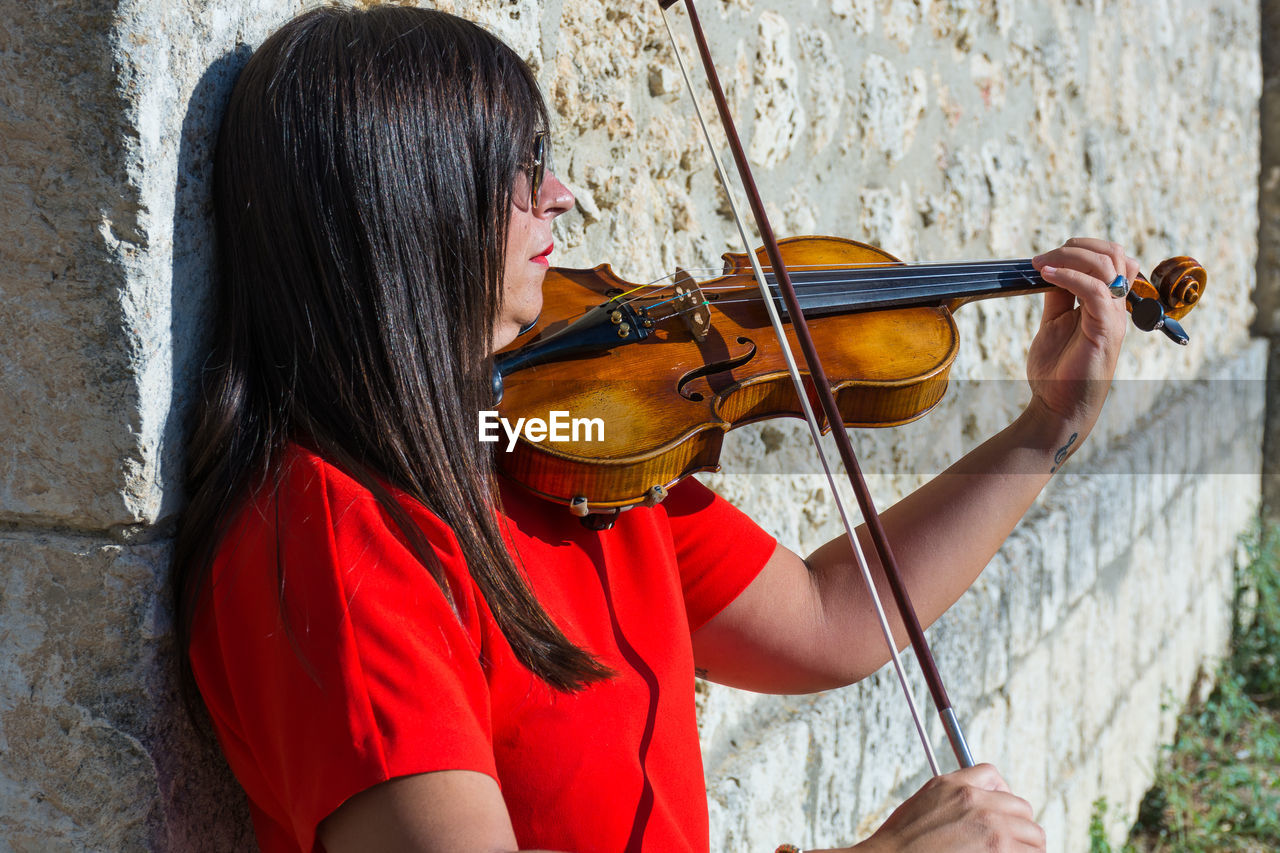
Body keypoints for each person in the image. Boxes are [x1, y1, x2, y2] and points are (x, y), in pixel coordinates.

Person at [173, 5, 1136, 852]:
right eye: (513, 173)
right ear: (403, 212)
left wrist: (1045, 426)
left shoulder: (554, 444)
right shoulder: (333, 535)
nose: (559, 197)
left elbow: (828, 617)